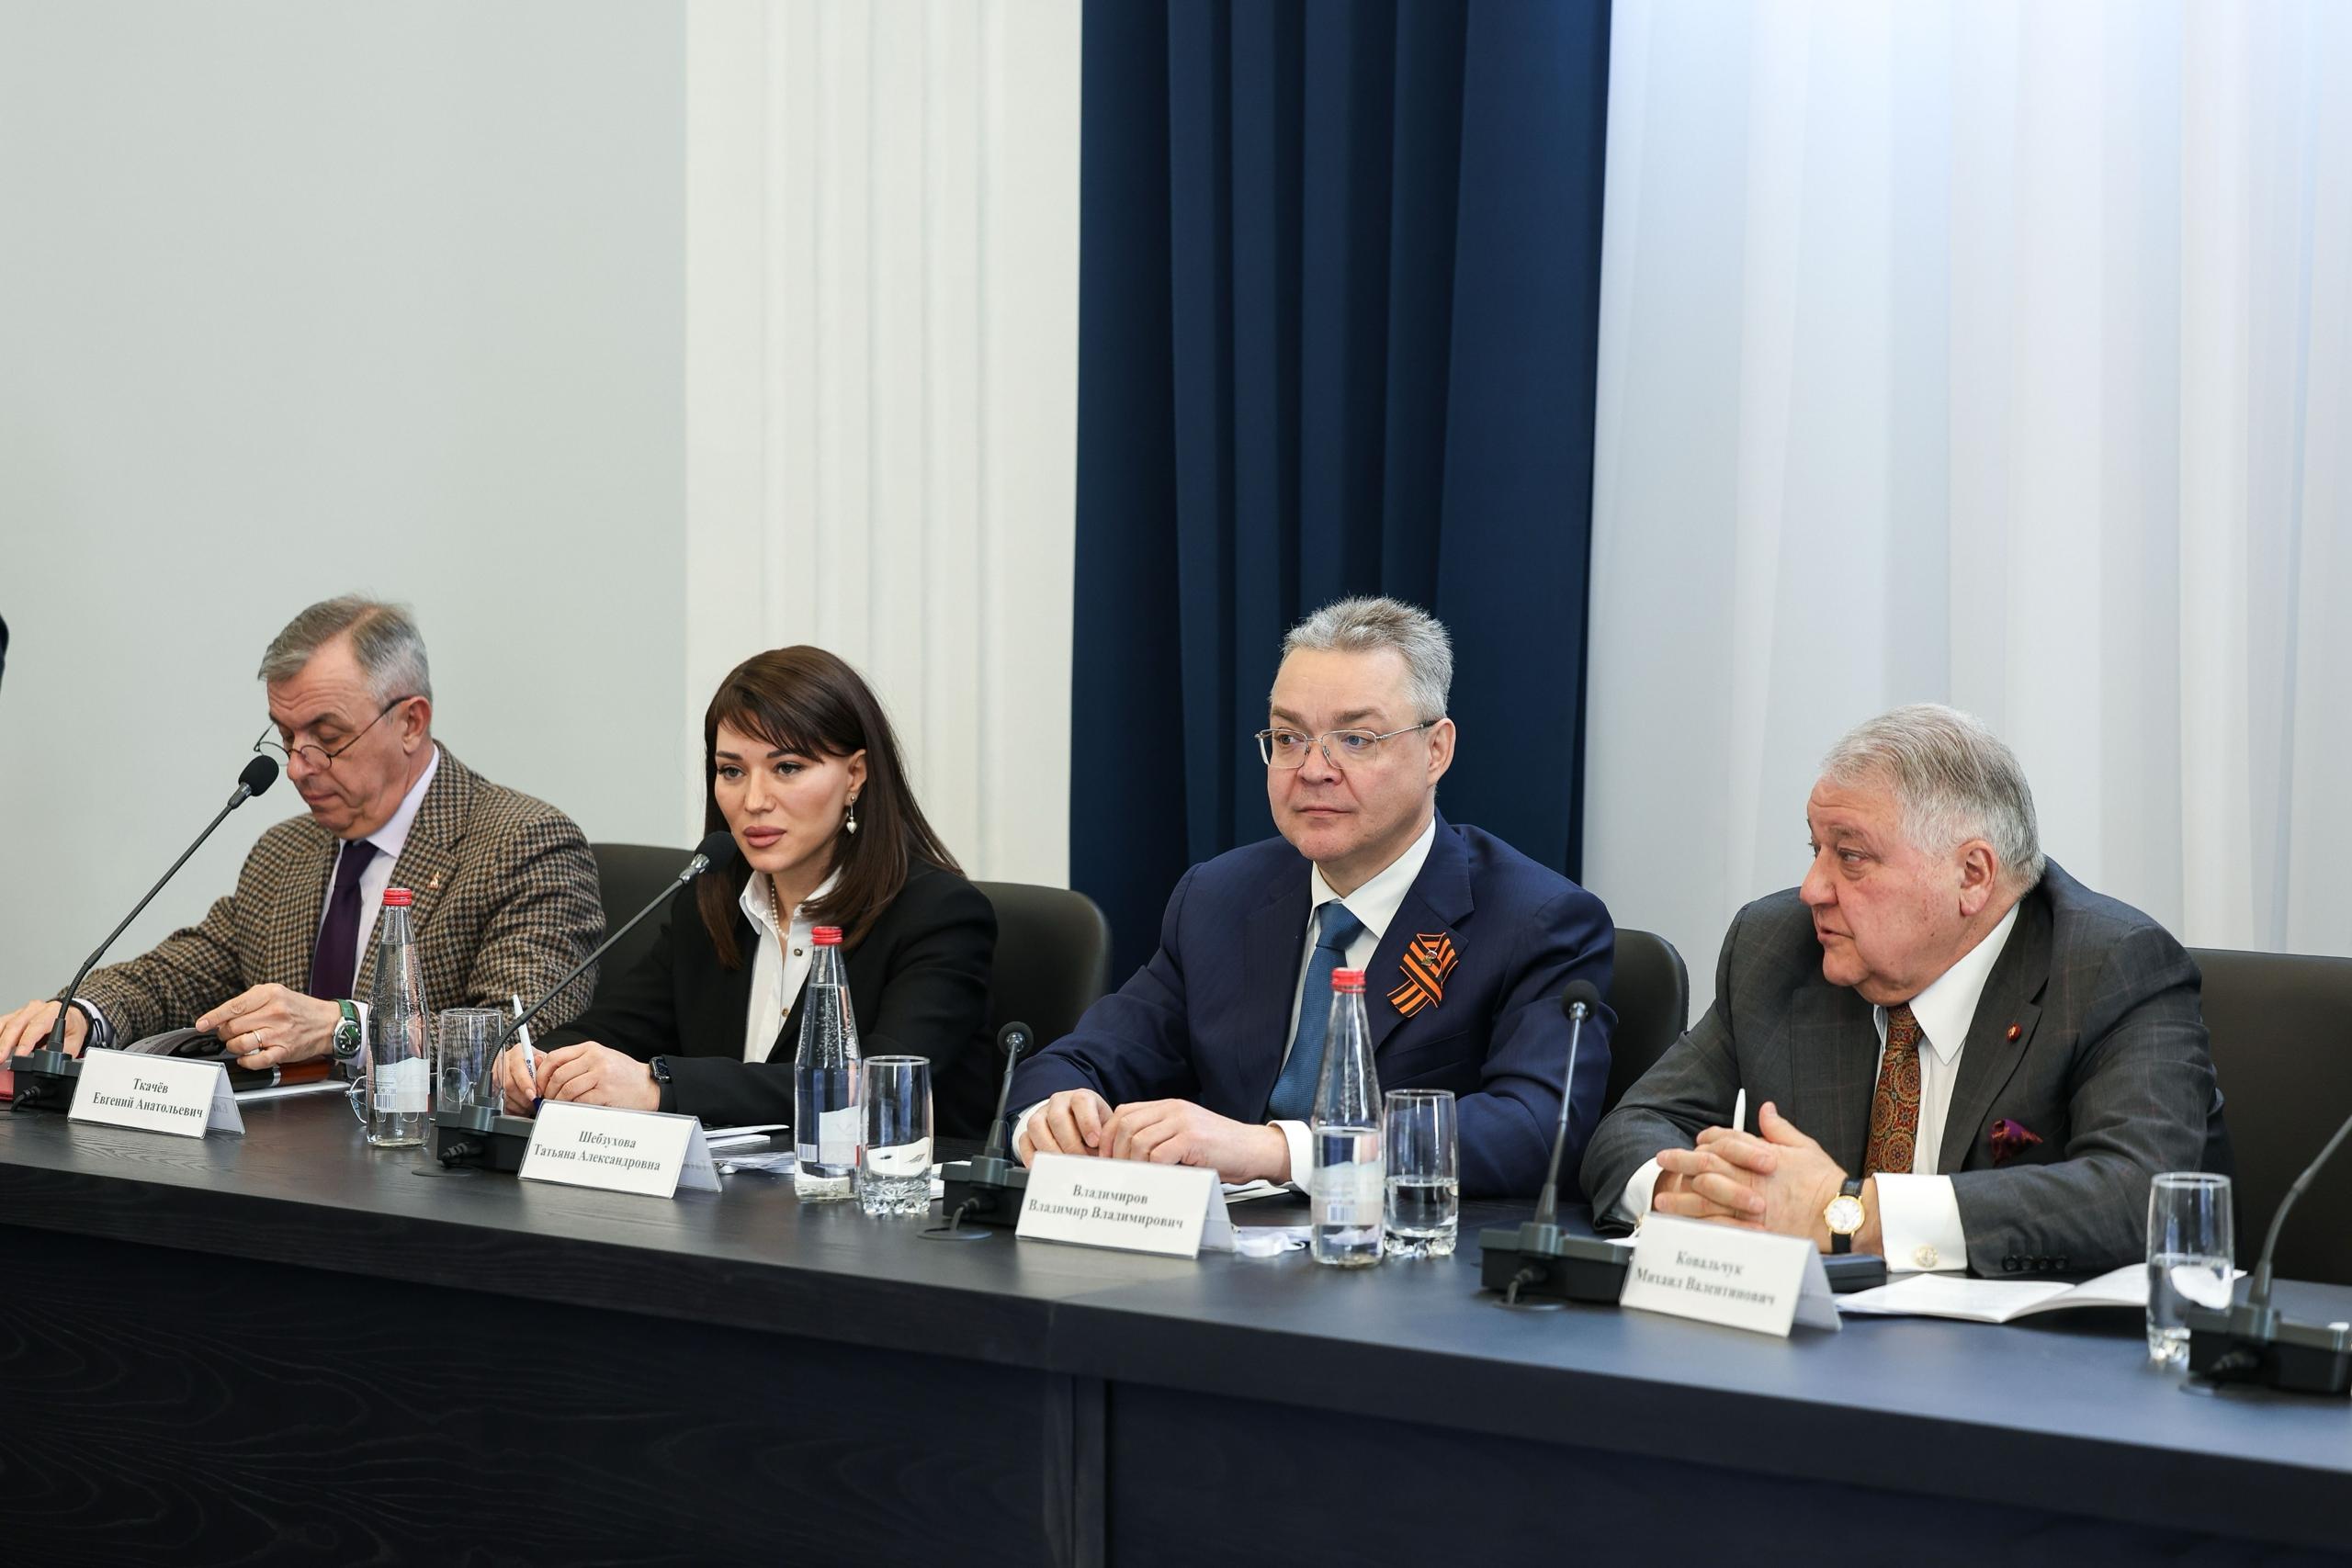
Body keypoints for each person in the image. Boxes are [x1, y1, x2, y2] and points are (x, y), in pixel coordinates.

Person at [1581, 704, 2230, 1276]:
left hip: (2027, 1363)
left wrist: (1850, 1213)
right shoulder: (1778, 948)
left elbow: (2143, 1195)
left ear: (1972, 875)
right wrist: (1697, 1194)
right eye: (1815, 849)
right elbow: (1634, 1128)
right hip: (1820, 1349)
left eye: (1850, 856)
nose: (1812, 888)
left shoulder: (2110, 968)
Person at [1009, 596, 1616, 1199]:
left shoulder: (1536, 920)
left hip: (1402, 1251)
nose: (1313, 769)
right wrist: (1055, 1115)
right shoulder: (1219, 896)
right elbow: (1079, 1062)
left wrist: (1281, 1152)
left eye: (1355, 739)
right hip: (1222, 1248)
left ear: (1436, 751)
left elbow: (1536, 1127)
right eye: (1288, 737)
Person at [0, 596, 605, 1069]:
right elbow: (178, 975)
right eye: (287, 736)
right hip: (277, 1163)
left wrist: (347, 1027)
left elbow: (522, 1038)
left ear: (411, 722)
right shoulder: (285, 851)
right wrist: (81, 1011)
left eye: (327, 736)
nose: (296, 766)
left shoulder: (522, 843)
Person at [507, 647, 999, 1137]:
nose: (754, 801)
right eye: (732, 771)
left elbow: (873, 1090)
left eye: (787, 768)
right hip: (731, 1186)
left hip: (881, 1183)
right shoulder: (710, 903)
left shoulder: (938, 915)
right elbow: (616, 1029)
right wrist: (537, 1063)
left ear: (855, 775)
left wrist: (660, 1088)